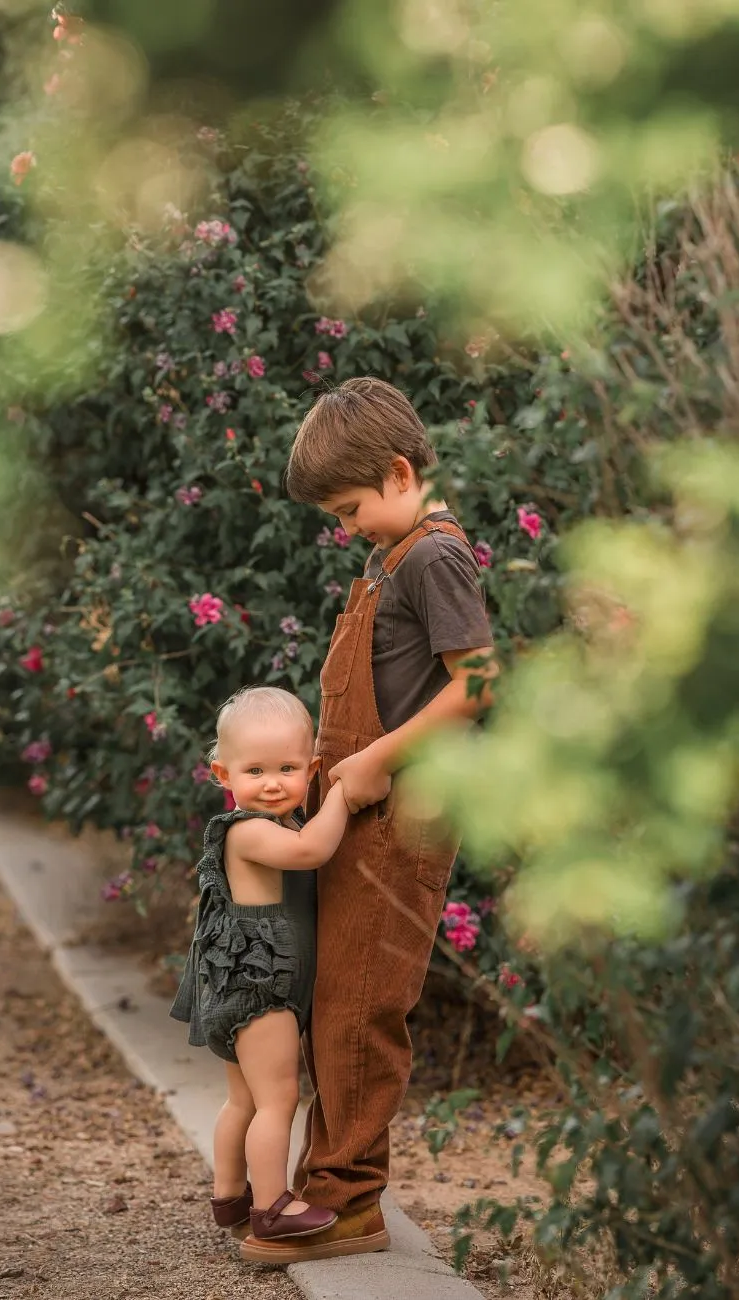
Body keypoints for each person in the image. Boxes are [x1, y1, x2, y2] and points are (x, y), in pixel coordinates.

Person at [239, 376, 497, 1265]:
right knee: (336, 999)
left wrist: (376, 763)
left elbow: (480, 683)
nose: (349, 527)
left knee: (360, 1007)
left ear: (397, 472)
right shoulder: (393, 557)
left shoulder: (433, 555)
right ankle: (330, 1184)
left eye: (351, 509)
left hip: (401, 819)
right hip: (359, 814)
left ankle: (347, 1204)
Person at [170, 686, 352, 1246]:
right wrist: (342, 795)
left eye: (288, 768)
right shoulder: (249, 831)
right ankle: (272, 1205)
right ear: (223, 775)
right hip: (260, 991)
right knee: (277, 1099)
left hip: (234, 990)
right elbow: (310, 854)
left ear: (309, 767)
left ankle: (230, 1196)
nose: (272, 782)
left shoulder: (273, 824)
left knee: (244, 1099)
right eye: (255, 770)